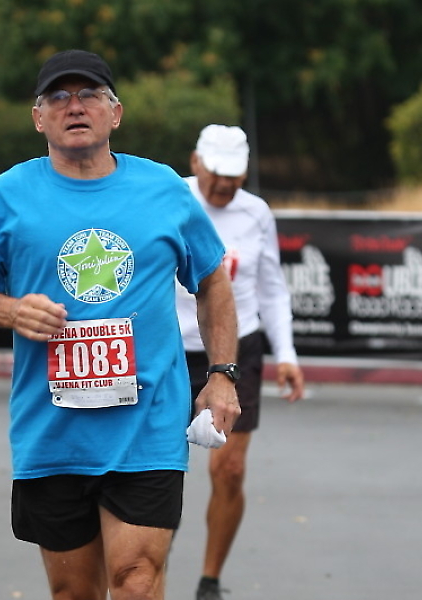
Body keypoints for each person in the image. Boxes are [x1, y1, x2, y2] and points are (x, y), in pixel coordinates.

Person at [0, 51, 241, 600]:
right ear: (39, 118)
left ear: (115, 113)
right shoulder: (5, 197)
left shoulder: (163, 189)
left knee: (137, 580)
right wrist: (12, 311)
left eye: (89, 95)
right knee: (74, 593)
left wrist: (222, 374)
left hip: (147, 426)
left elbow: (213, 282)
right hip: (53, 431)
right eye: (58, 97)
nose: (74, 106)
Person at [175, 124, 305, 600]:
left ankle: (209, 580)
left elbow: (271, 288)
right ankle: (146, 571)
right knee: (159, 471)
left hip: (236, 351)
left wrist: (286, 354)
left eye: (234, 175)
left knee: (228, 470)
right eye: (216, 173)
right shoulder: (171, 198)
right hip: (173, 349)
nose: (225, 184)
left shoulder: (256, 212)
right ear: (196, 163)